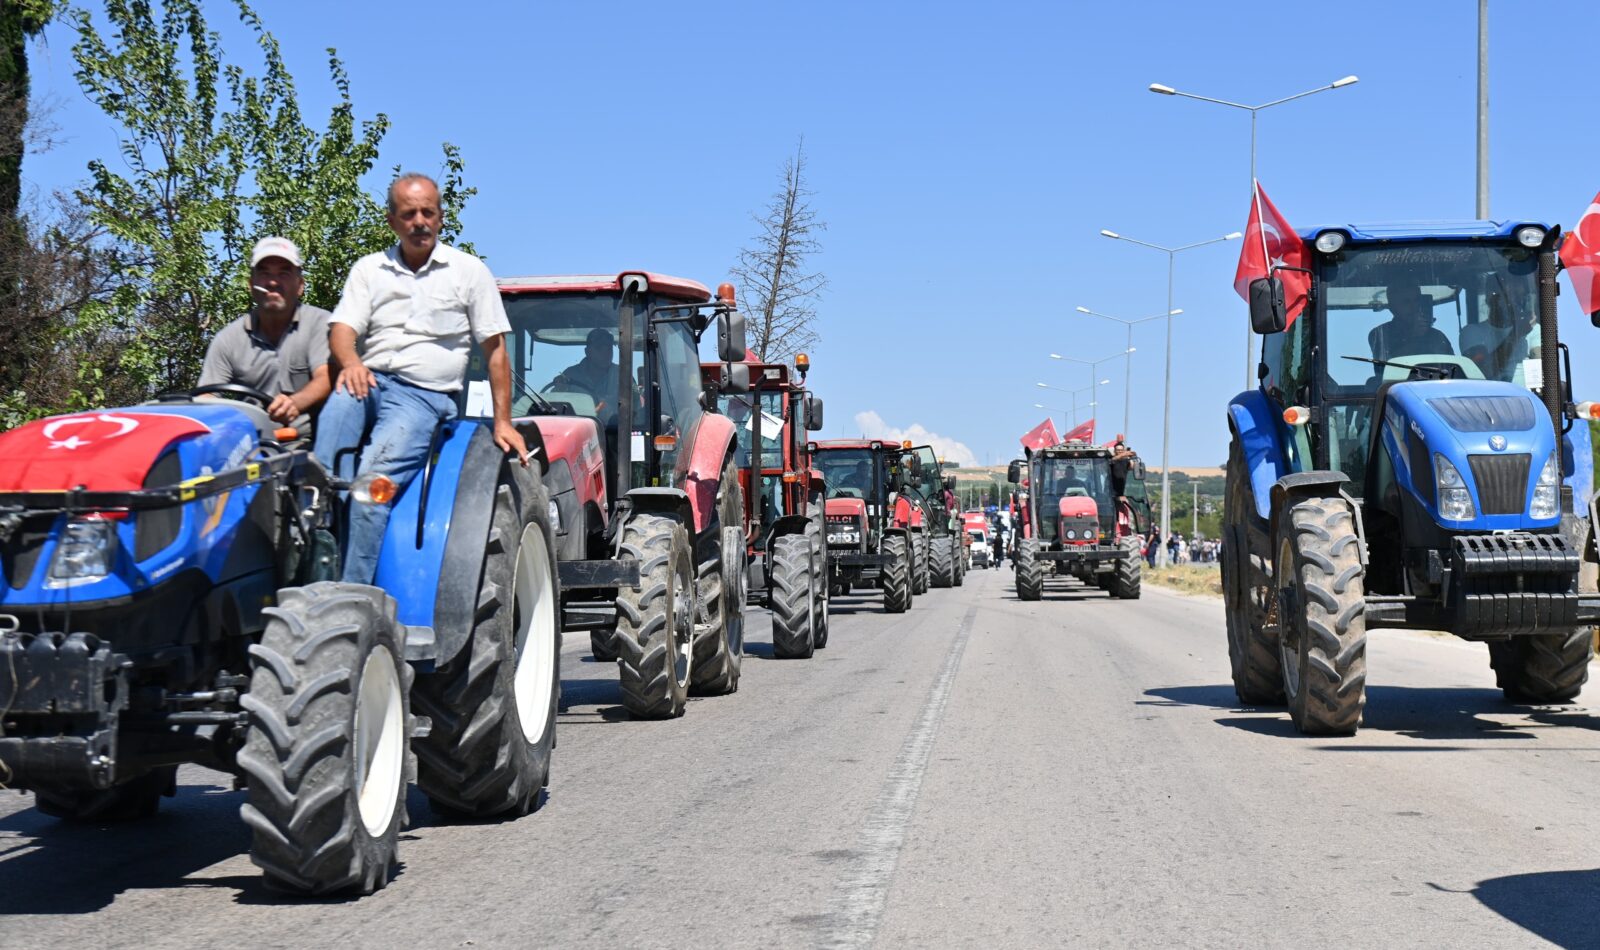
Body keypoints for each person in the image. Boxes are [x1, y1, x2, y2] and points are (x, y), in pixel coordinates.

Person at [314, 173, 529, 585]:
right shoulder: (369, 270)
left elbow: (496, 350)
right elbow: (341, 331)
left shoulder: (467, 272)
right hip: (367, 382)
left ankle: (350, 596)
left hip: (423, 396)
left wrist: (503, 421)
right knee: (319, 478)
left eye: (428, 212)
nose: (419, 221)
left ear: (440, 218)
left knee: (370, 487)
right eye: (409, 213)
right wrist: (352, 362)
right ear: (392, 220)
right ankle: (314, 565)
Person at [197, 237, 332, 427]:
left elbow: (327, 376)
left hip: (311, 445)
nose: (273, 282)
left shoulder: (320, 323)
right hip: (249, 446)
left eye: (284, 273)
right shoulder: (228, 339)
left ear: (300, 285)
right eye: (265, 273)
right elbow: (205, 396)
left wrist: (295, 403)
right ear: (251, 285)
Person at [1369, 285, 1454, 363]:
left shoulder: (1437, 336)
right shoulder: (1380, 334)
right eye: (1406, 302)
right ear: (1392, 308)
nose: (1414, 306)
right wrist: (1414, 337)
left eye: (1416, 300)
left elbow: (1451, 371)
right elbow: (1385, 368)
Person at [551, 328, 620, 402]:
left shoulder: (622, 376)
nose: (605, 353)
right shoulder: (570, 375)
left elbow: (633, 406)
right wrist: (559, 388)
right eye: (599, 348)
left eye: (609, 348)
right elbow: (557, 405)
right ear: (587, 352)